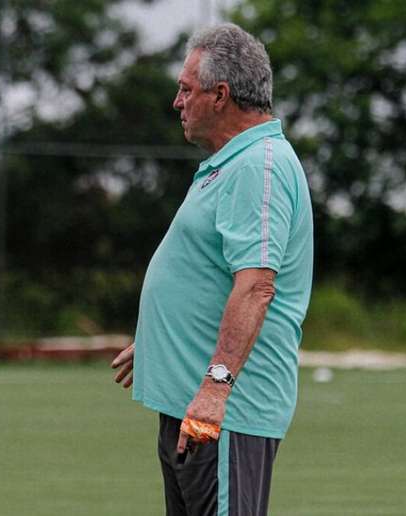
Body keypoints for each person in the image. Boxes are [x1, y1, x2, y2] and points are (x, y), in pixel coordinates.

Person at [111, 24, 313, 515]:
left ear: (220, 95)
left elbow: (257, 285)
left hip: (224, 413)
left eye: (186, 89)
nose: (177, 102)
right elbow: (214, 272)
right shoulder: (233, 162)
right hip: (194, 406)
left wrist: (216, 387)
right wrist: (167, 335)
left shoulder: (258, 165)